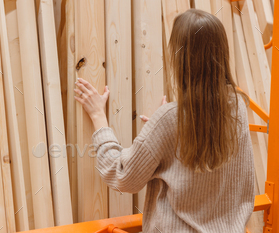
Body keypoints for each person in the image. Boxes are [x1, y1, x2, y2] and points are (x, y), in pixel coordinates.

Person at [74, 9, 254, 233]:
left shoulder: (170, 118)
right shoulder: (237, 108)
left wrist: (98, 116)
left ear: (180, 59)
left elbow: (122, 176)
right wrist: (165, 135)